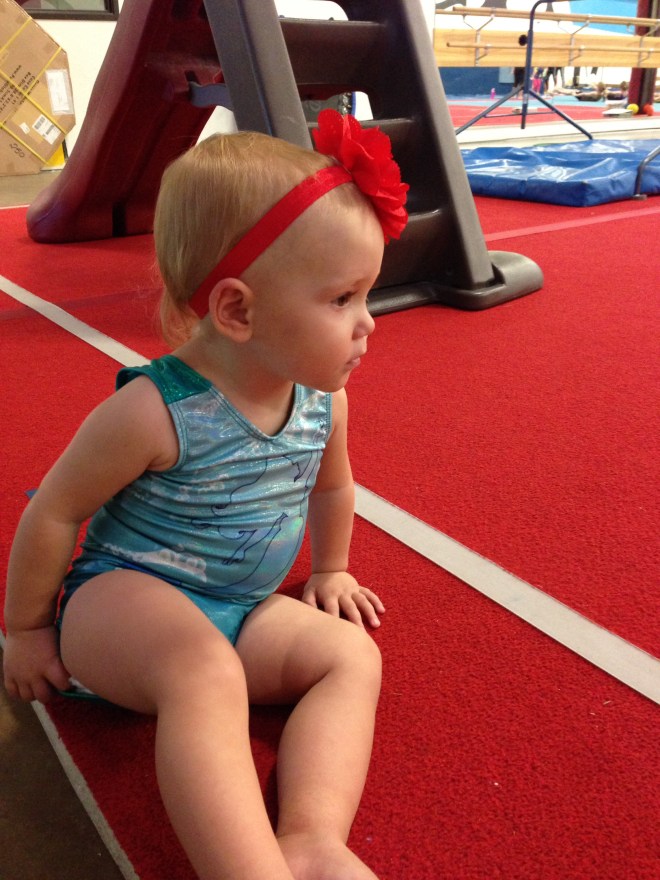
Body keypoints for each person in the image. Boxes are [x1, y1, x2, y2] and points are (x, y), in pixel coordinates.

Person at [3, 109, 409, 880]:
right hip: (123, 603)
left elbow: (332, 485)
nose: (368, 324)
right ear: (237, 310)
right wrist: (25, 630)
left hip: (241, 608)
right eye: (342, 299)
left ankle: (312, 836)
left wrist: (330, 569)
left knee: (350, 657)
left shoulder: (322, 401)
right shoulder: (156, 410)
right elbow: (56, 508)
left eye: (367, 295)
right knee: (204, 673)